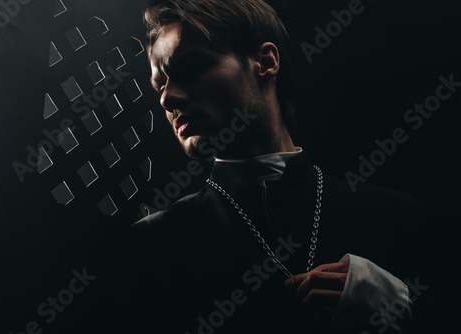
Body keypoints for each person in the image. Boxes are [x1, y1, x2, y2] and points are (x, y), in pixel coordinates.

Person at [100, 1, 454, 333]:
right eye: (159, 85)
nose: (167, 98)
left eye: (191, 68)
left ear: (266, 62)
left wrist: (402, 307)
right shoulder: (148, 250)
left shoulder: (404, 220)